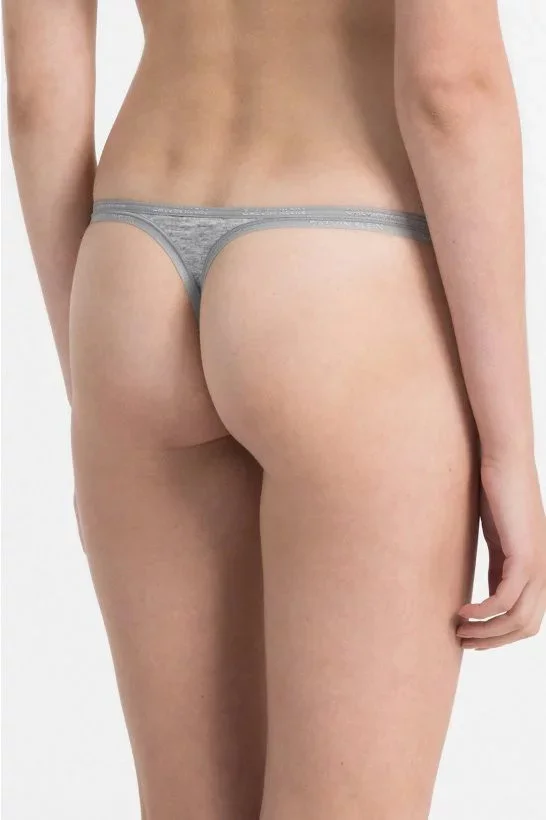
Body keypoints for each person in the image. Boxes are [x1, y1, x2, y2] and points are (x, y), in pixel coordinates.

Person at [4, 1, 546, 818]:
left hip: (130, 268)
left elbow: (37, 98)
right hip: (341, 271)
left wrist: (95, 396)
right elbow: (450, 86)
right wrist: (510, 447)